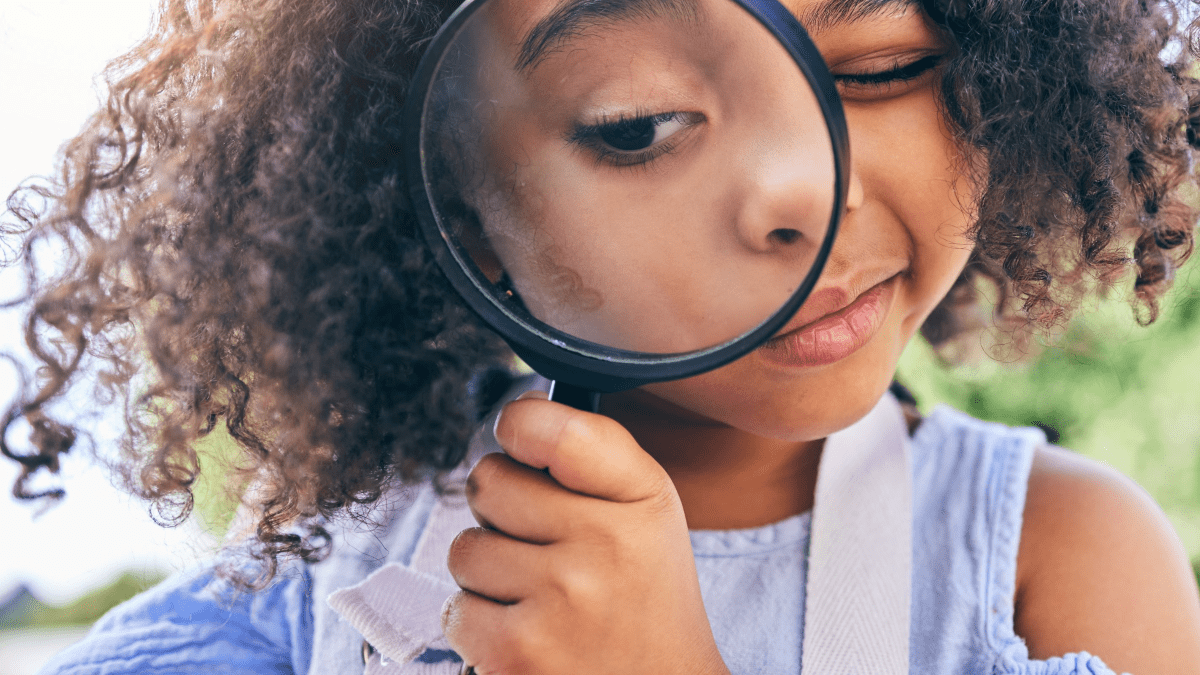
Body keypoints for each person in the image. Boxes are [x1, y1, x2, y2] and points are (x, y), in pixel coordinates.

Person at [5, 0, 1200, 672]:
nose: (798, 193)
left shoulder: (1053, 564)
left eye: (884, 67)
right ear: (459, 203)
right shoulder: (319, 587)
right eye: (635, 127)